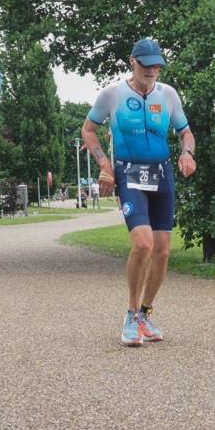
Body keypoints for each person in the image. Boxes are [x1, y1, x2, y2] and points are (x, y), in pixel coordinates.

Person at [82, 37, 196, 346]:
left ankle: (146, 312)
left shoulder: (168, 95)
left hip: (162, 175)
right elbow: (88, 130)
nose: (153, 70)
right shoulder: (112, 95)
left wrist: (188, 153)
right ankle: (131, 315)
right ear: (132, 61)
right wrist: (104, 164)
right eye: (146, 64)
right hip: (129, 174)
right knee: (143, 244)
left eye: (157, 64)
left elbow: (185, 132)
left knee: (162, 250)